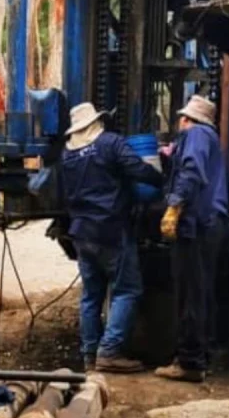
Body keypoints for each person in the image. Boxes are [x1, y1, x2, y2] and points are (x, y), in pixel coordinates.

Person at [60, 102, 162, 373]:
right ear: (96, 123)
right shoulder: (110, 143)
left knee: (91, 295)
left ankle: (89, 354)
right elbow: (138, 169)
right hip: (110, 230)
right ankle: (110, 351)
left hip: (81, 232)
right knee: (127, 290)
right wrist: (162, 179)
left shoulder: (67, 155)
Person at [155, 95, 229, 383]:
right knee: (201, 291)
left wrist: (173, 207)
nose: (178, 123)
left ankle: (189, 362)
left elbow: (191, 171)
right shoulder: (207, 136)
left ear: (188, 119)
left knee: (189, 294)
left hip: (197, 224)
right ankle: (202, 352)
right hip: (210, 224)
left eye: (180, 119)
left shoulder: (197, 134)